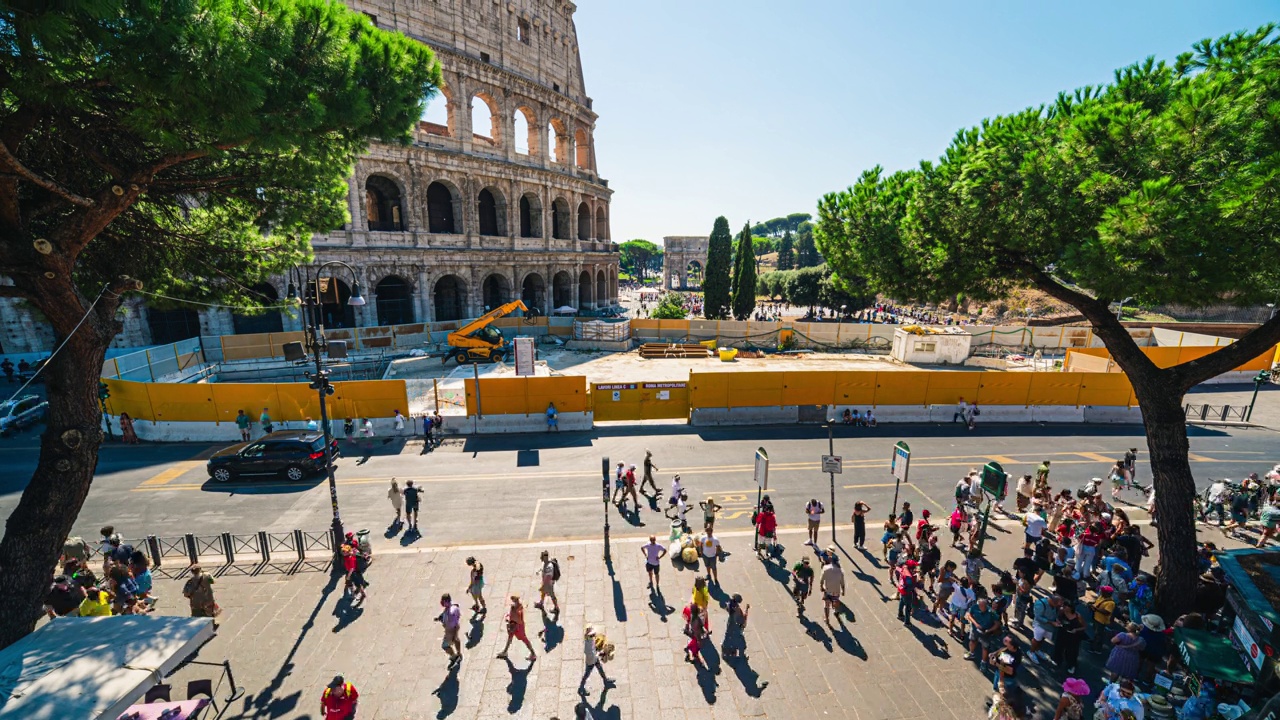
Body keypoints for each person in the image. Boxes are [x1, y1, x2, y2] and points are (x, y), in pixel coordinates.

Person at [497, 594, 537, 662]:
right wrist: (509, 618)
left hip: (517, 627)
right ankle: (505, 651)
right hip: (514, 625)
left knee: (524, 639)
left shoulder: (517, 609)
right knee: (510, 637)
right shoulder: (515, 606)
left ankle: (533, 653)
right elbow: (512, 615)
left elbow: (518, 620)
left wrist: (511, 620)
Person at [965, 597, 1003, 663]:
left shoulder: (991, 612)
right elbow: (969, 615)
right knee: (972, 641)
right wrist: (976, 624)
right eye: (980, 606)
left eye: (984, 606)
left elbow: (997, 624)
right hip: (974, 629)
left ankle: (984, 662)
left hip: (985, 632)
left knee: (984, 647)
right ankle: (971, 653)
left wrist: (989, 630)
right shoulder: (974, 607)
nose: (982, 607)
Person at [1054, 602, 1088, 674]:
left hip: (1073, 636)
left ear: (1071, 608)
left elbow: (1084, 627)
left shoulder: (1078, 616)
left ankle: (1071, 665)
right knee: (1059, 647)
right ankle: (1057, 660)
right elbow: (1058, 618)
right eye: (1064, 606)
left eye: (1066, 606)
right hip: (1062, 633)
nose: (1064, 607)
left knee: (1071, 651)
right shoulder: (1062, 612)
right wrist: (1058, 622)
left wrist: (1076, 630)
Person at [579, 626, 614, 694]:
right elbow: (591, 654)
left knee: (600, 669)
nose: (594, 635)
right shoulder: (587, 646)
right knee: (587, 674)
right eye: (593, 634)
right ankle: (581, 688)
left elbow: (594, 648)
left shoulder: (590, 639)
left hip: (594, 659)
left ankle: (606, 681)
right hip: (591, 661)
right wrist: (600, 654)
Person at [1028, 594, 1061, 664]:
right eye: (1055, 604)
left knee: (1042, 638)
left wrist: (1056, 620)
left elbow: (1054, 613)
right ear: (1052, 600)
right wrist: (1051, 622)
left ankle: (1037, 650)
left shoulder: (1055, 605)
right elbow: (1038, 617)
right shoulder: (1041, 604)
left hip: (1049, 626)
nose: (1056, 606)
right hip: (1040, 625)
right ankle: (1031, 652)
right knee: (1036, 639)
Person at [819, 554, 845, 625]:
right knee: (836, 602)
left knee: (826, 605)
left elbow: (821, 579)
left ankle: (827, 619)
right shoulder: (840, 570)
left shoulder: (826, 568)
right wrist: (843, 590)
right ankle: (836, 611)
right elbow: (842, 582)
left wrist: (821, 586)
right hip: (836, 591)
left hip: (827, 590)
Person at [721, 594, 749, 659]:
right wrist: (747, 610)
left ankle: (726, 652)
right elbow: (742, 621)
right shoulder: (737, 610)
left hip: (730, 626)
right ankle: (742, 656)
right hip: (736, 629)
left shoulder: (730, 606)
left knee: (728, 638)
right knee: (741, 643)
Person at [439, 593, 462, 667]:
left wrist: (453, 634)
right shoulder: (454, 607)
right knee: (456, 640)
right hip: (454, 627)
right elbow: (458, 616)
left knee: (445, 646)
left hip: (450, 630)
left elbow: (450, 622)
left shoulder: (450, 613)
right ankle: (459, 653)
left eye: (443, 601)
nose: (441, 603)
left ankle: (454, 656)